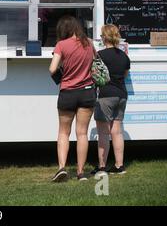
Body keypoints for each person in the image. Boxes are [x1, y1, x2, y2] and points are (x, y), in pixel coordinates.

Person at [49, 15, 96, 182]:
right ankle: (81, 172)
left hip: (68, 92)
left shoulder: (62, 45)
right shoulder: (89, 43)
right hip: (87, 92)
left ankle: (62, 168)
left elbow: (52, 69)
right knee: (82, 133)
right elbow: (95, 64)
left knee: (63, 132)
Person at [92, 24, 130, 176]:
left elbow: (94, 75)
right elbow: (125, 74)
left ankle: (102, 166)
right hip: (121, 94)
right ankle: (119, 166)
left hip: (106, 95)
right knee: (117, 131)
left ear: (104, 37)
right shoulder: (124, 56)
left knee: (103, 132)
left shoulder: (100, 55)